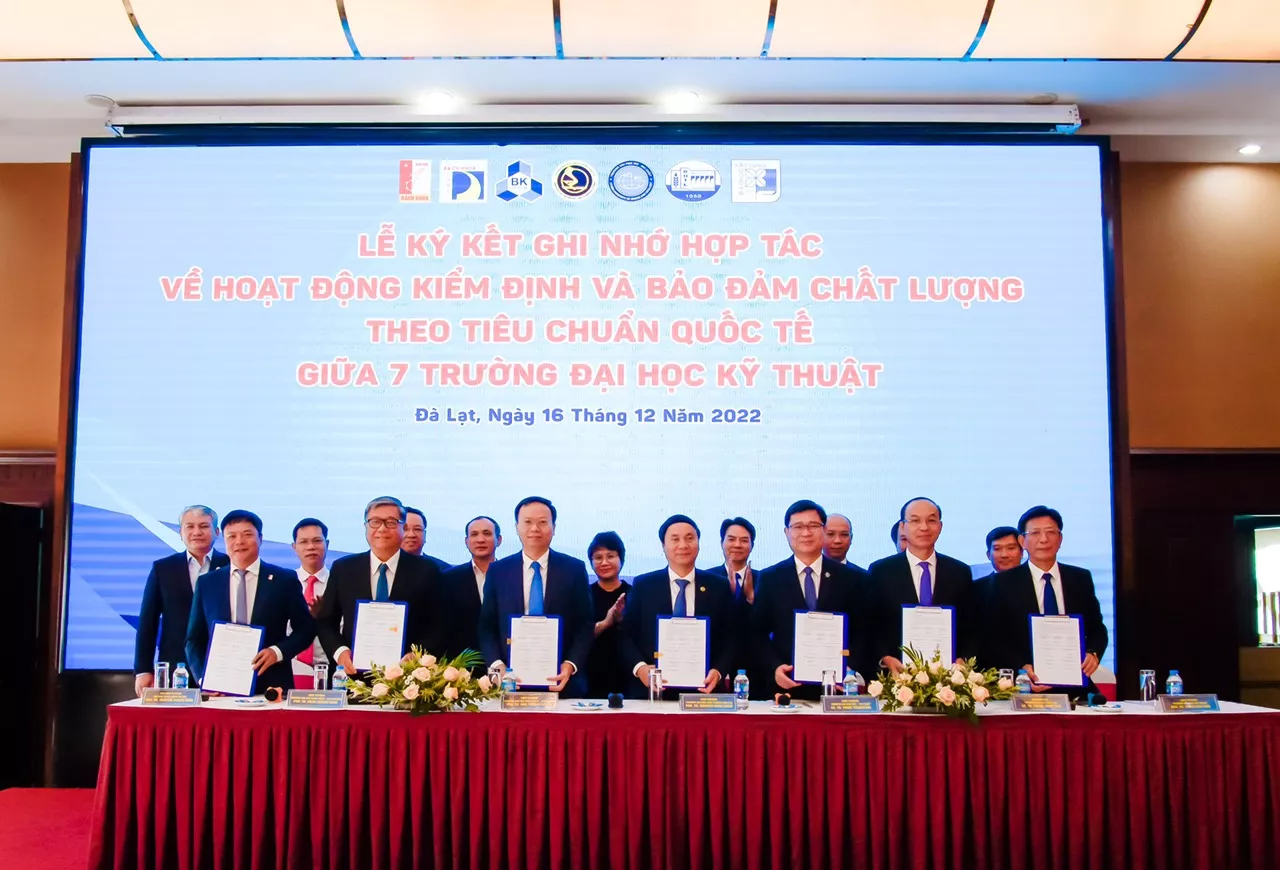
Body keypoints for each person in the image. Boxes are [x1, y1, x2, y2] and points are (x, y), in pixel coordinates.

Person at [751, 500, 872, 700]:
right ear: (786, 532)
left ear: (823, 530)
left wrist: (851, 668)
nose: (806, 533)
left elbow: (863, 631)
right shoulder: (770, 578)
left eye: (813, 526)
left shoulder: (851, 578)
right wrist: (774, 667)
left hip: (838, 689)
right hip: (786, 688)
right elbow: (757, 633)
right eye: (798, 526)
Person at [185, 510, 316, 695]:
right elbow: (193, 640)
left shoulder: (284, 579)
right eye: (232, 536)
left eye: (247, 534)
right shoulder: (207, 583)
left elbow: (306, 629)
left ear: (260, 538)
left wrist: (277, 652)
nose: (239, 541)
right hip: (219, 688)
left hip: (272, 687)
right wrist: (203, 679)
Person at [315, 496, 448, 673]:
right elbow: (326, 621)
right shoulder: (344, 568)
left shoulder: (427, 570)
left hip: (409, 677)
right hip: (352, 675)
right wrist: (340, 653)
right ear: (366, 526)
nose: (382, 528)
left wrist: (416, 656)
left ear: (402, 527)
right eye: (375, 522)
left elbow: (440, 626)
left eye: (391, 522)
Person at [987, 506, 1109, 699]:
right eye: (1035, 533)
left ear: (1060, 539)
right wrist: (1021, 668)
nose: (1044, 539)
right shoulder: (1003, 583)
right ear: (1022, 541)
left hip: (1075, 687)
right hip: (1023, 688)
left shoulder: (1080, 578)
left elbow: (1097, 628)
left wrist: (1093, 653)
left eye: (1051, 532)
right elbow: (993, 637)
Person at [478, 496, 593, 696]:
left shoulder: (574, 569)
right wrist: (497, 666)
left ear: (554, 527)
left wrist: (570, 665)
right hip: (509, 683)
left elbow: (585, 625)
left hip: (562, 682)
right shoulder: (498, 571)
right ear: (517, 527)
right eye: (528, 522)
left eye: (542, 522)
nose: (534, 529)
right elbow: (487, 627)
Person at [621, 516, 734, 699]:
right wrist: (640, 668)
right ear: (663, 546)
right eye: (675, 539)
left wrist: (719, 670)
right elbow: (625, 635)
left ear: (699, 543)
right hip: (652, 692)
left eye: (690, 538)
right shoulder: (644, 585)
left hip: (705, 691)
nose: (683, 545)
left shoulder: (718, 586)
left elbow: (732, 637)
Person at [868, 497, 976, 673]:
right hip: (897, 674)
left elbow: (971, 626)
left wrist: (963, 659)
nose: (924, 527)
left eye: (931, 520)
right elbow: (871, 624)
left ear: (940, 526)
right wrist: (884, 657)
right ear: (902, 527)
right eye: (915, 520)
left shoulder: (959, 571)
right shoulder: (881, 571)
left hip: (948, 676)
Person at [133, 505, 230, 696]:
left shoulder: (230, 565)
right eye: (189, 526)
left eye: (204, 526)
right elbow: (147, 622)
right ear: (180, 532)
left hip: (221, 666)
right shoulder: (163, 569)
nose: (196, 532)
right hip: (176, 667)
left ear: (217, 532)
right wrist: (143, 669)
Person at [706, 517, 768, 697]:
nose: (737, 545)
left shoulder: (764, 579)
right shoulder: (707, 579)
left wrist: (751, 599)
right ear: (722, 543)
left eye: (744, 540)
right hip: (715, 663)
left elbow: (767, 624)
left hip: (754, 665)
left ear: (752, 545)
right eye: (731, 539)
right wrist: (728, 597)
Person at [440, 515, 502, 656]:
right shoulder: (449, 578)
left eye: (487, 533)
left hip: (504, 659)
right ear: (466, 542)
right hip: (462, 660)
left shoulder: (511, 575)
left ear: (499, 540)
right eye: (474, 534)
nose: (480, 539)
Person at [585, 531, 631, 698]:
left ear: (621, 559)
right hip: (591, 676)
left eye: (610, 556)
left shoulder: (635, 594)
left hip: (630, 675)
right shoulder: (584, 595)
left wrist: (622, 620)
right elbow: (577, 636)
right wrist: (606, 623)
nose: (604, 562)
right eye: (598, 557)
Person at [290, 517, 330, 689]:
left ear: (327, 544)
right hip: (291, 670)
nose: (311, 547)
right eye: (304, 542)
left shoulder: (339, 582)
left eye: (317, 541)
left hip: (332, 670)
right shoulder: (285, 583)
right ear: (294, 547)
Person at [402, 506, 452, 571]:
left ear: (425, 535)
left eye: (417, 529)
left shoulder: (444, 570)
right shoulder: (388, 567)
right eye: (405, 529)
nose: (411, 535)